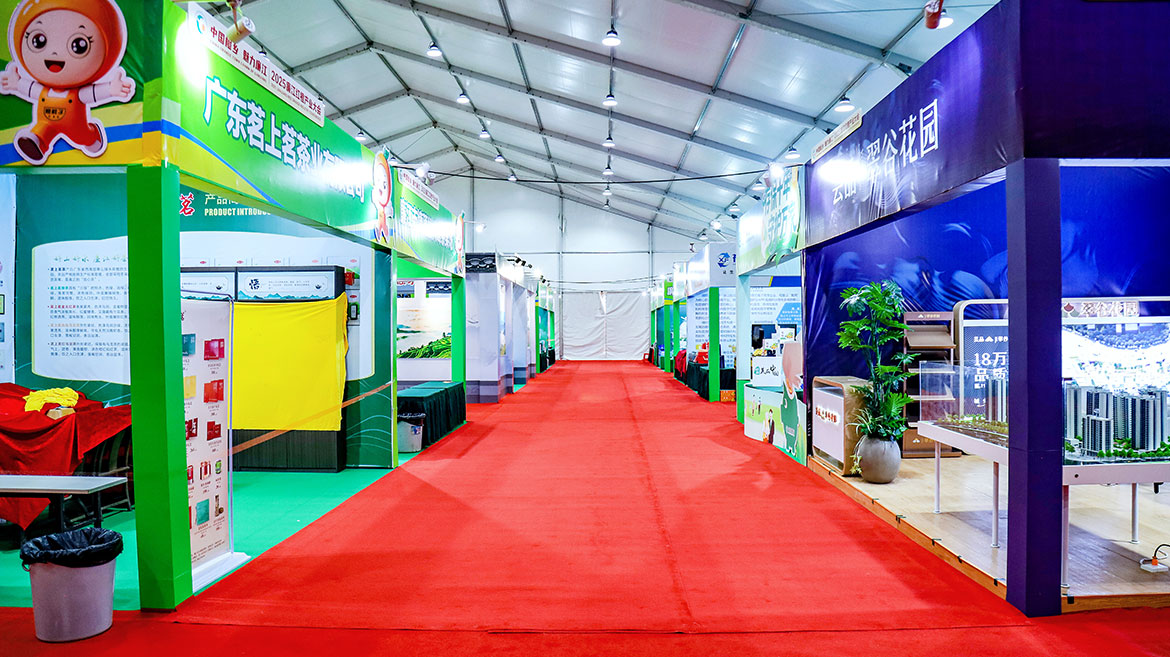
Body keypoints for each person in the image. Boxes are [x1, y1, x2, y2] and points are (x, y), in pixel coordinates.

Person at [0, 0, 134, 165]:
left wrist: (111, 89)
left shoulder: (78, 93)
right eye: (38, 41)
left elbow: (92, 93)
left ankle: (93, 136)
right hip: (46, 123)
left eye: (79, 45)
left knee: (83, 137)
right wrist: (16, 84)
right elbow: (30, 89)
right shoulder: (42, 90)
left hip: (76, 127)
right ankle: (36, 144)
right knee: (40, 132)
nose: (54, 54)